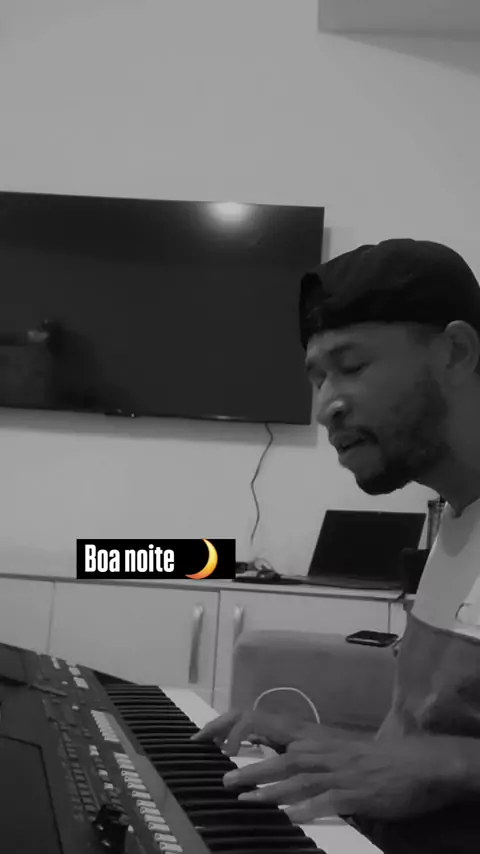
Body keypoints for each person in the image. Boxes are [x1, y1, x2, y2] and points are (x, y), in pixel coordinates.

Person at [193, 239, 480, 854]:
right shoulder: (456, 520)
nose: (326, 407)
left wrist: (447, 766)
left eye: (351, 366)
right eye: (317, 378)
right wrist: (328, 743)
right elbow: (428, 744)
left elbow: (440, 761)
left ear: (457, 352)